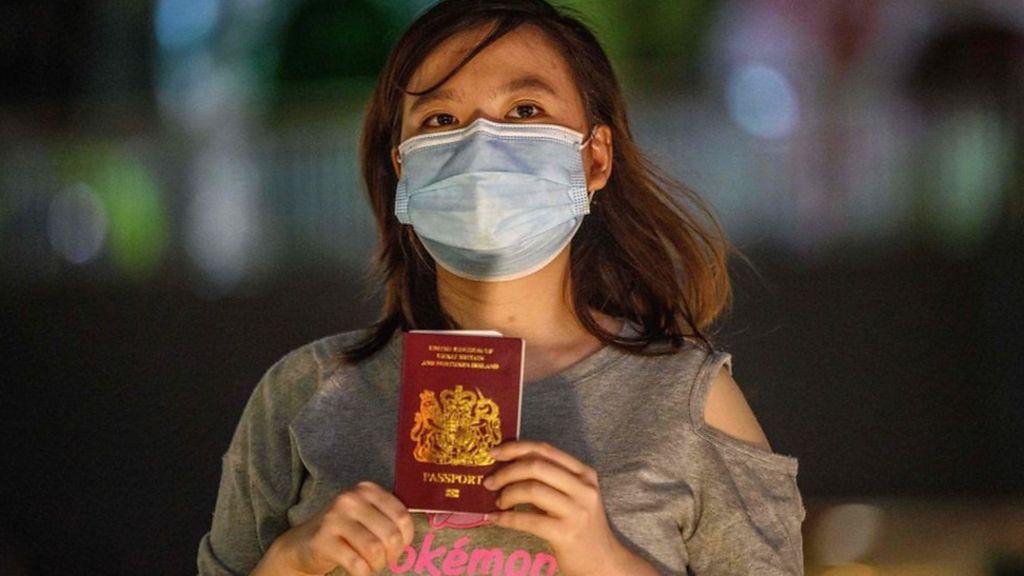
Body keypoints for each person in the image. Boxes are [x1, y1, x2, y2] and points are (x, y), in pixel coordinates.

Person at [197, 0, 806, 574]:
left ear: (594, 159)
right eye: (441, 119)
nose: (480, 144)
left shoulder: (691, 402)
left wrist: (604, 557)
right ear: (404, 166)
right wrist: (290, 561)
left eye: (524, 112)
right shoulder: (304, 392)